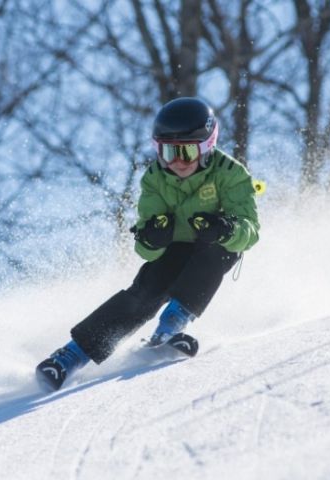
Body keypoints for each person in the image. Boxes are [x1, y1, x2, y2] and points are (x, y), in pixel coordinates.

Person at [35, 97, 260, 391]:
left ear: (206, 146)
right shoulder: (155, 179)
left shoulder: (231, 174)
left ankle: (171, 326)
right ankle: (70, 356)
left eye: (186, 152)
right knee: (147, 289)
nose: (177, 162)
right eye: (168, 152)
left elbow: (250, 230)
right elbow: (145, 248)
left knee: (216, 255)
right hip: (175, 247)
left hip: (214, 244)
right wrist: (152, 237)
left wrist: (225, 228)